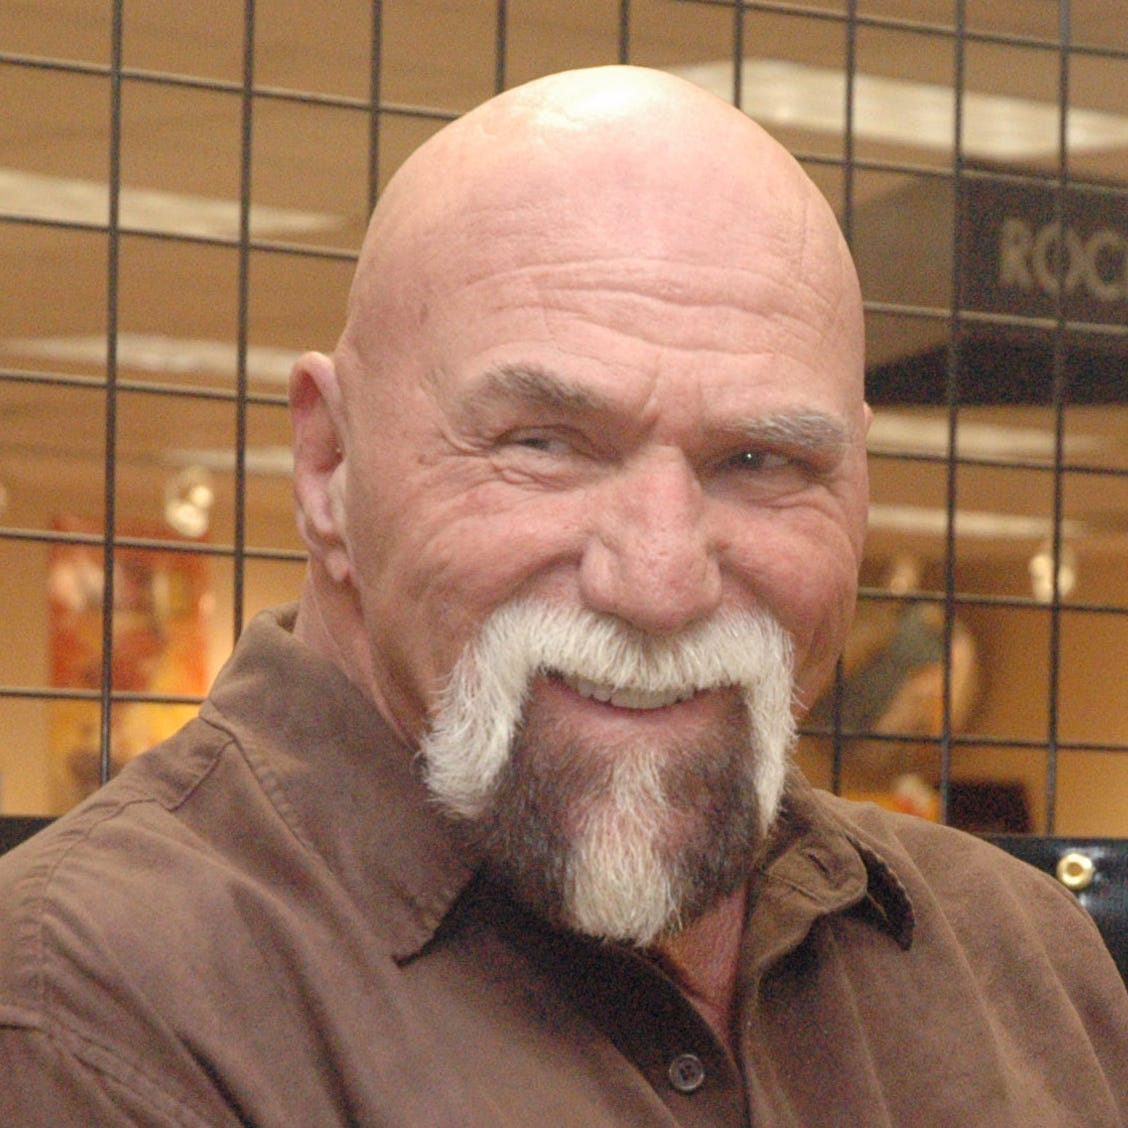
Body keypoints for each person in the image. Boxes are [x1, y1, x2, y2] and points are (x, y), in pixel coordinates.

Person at [0, 65, 1125, 1126]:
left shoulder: (1014, 961)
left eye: (761, 462)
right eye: (545, 444)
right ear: (330, 466)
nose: (660, 580)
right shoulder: (98, 1001)